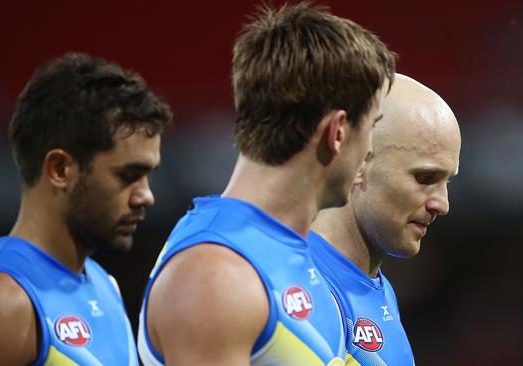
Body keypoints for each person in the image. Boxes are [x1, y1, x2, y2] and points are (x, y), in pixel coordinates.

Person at [137, 2, 395, 365]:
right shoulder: (216, 274)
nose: (370, 151)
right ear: (337, 132)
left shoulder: (290, 253)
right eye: (372, 127)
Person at [0, 52, 172, 366]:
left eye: (148, 176)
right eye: (128, 176)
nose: (146, 196)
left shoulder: (104, 286)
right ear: (60, 169)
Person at [309, 74, 461, 365]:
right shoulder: (303, 287)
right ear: (357, 161)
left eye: (447, 182)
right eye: (424, 178)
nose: (442, 205)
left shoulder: (378, 289)